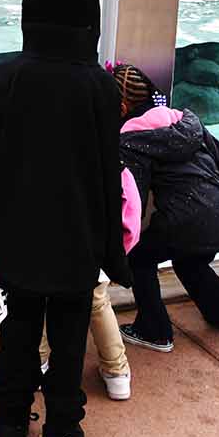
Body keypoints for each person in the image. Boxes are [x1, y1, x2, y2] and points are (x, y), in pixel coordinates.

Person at [0, 0, 132, 437]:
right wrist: (112, 248)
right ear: (91, 13)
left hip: (19, 238)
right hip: (77, 241)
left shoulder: (3, 79)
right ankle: (62, 434)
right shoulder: (100, 87)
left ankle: (10, 427)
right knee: (67, 335)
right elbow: (109, 176)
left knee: (18, 329)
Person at [111, 64, 219, 353]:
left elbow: (133, 198)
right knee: (190, 261)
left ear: (122, 105)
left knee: (139, 259)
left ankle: (154, 331)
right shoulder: (186, 121)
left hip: (184, 217)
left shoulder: (131, 139)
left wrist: (118, 238)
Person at [38, 151, 142, 402]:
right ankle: (117, 373)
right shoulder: (115, 164)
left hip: (51, 246)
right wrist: (116, 259)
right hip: (94, 251)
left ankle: (38, 363)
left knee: (39, 298)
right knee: (97, 302)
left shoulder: (49, 160)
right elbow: (130, 215)